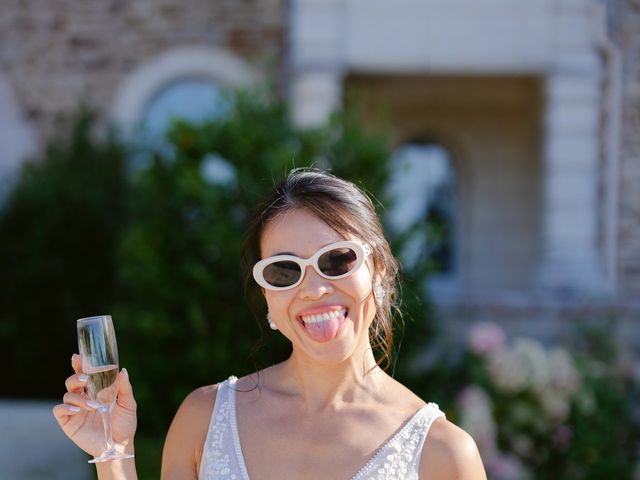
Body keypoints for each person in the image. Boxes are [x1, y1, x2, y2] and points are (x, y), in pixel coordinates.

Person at [53, 169, 486, 479]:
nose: (314, 288)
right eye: (284, 270)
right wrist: (113, 451)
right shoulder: (204, 418)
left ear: (379, 270)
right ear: (267, 297)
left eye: (337, 260)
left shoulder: (445, 454)